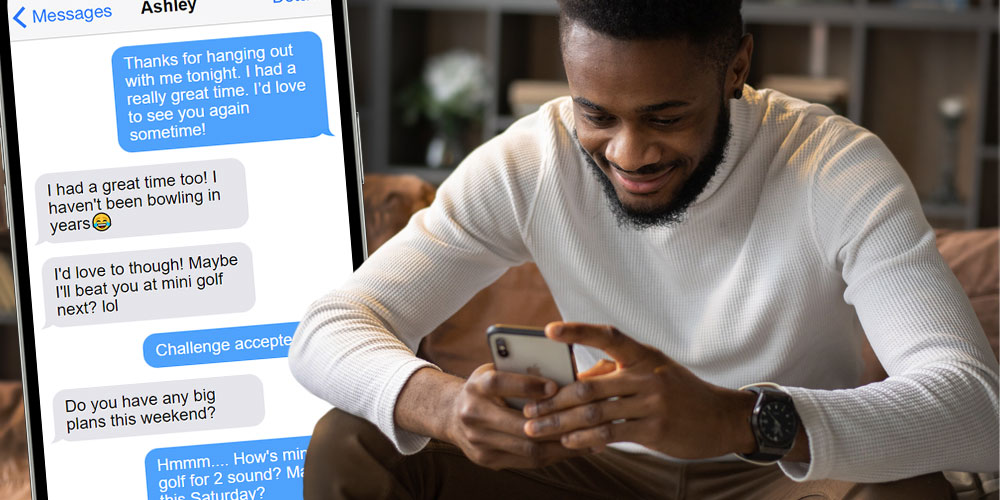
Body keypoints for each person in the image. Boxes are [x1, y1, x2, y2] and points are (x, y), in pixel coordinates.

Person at [289, 1, 999, 498]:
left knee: (898, 485)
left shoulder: (835, 168)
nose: (629, 154)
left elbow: (978, 409)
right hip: (591, 471)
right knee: (355, 441)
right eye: (595, 114)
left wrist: (736, 419)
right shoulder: (532, 161)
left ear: (734, 68)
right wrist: (439, 404)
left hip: (778, 477)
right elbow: (327, 328)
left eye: (667, 116)